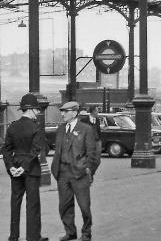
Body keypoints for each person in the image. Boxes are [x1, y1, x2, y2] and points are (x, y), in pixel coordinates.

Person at [1, 93, 49, 241]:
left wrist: (11, 167)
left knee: (15, 203)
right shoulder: (36, 128)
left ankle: (13, 237)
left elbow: (6, 149)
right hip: (31, 170)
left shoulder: (13, 127)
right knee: (32, 204)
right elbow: (36, 150)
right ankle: (33, 237)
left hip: (15, 170)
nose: (39, 112)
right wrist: (26, 166)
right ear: (31, 109)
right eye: (37, 109)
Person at [52, 101, 99, 241]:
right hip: (62, 173)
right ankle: (70, 232)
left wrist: (88, 171)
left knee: (84, 206)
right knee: (64, 205)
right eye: (62, 111)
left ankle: (86, 233)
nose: (62, 114)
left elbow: (93, 155)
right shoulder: (60, 129)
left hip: (80, 174)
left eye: (65, 111)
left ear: (74, 112)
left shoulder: (86, 129)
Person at [79, 105, 102, 174]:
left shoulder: (97, 120)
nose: (98, 112)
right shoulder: (84, 120)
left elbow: (98, 131)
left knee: (97, 161)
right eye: (97, 111)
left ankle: (91, 173)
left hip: (97, 142)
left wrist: (100, 141)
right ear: (93, 111)